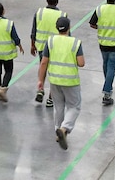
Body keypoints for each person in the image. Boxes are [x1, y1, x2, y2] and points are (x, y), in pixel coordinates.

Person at [37, 16, 85, 151]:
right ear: (69, 28)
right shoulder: (75, 42)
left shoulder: (50, 41)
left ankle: (58, 131)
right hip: (71, 81)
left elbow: (44, 62)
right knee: (74, 107)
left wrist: (40, 80)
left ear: (57, 28)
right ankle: (65, 129)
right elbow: (81, 63)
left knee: (58, 107)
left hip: (55, 80)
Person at [31, 0, 67, 107]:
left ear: (47, 1)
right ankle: (51, 98)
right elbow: (67, 34)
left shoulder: (39, 12)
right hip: (57, 48)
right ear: (57, 2)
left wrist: (32, 45)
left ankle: (40, 90)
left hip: (42, 46)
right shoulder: (62, 15)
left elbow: (34, 31)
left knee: (43, 68)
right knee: (54, 72)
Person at [0, 2, 24, 102]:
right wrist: (20, 46)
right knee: (8, 71)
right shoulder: (9, 23)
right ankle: (3, 88)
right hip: (6, 53)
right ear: (3, 11)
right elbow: (15, 38)